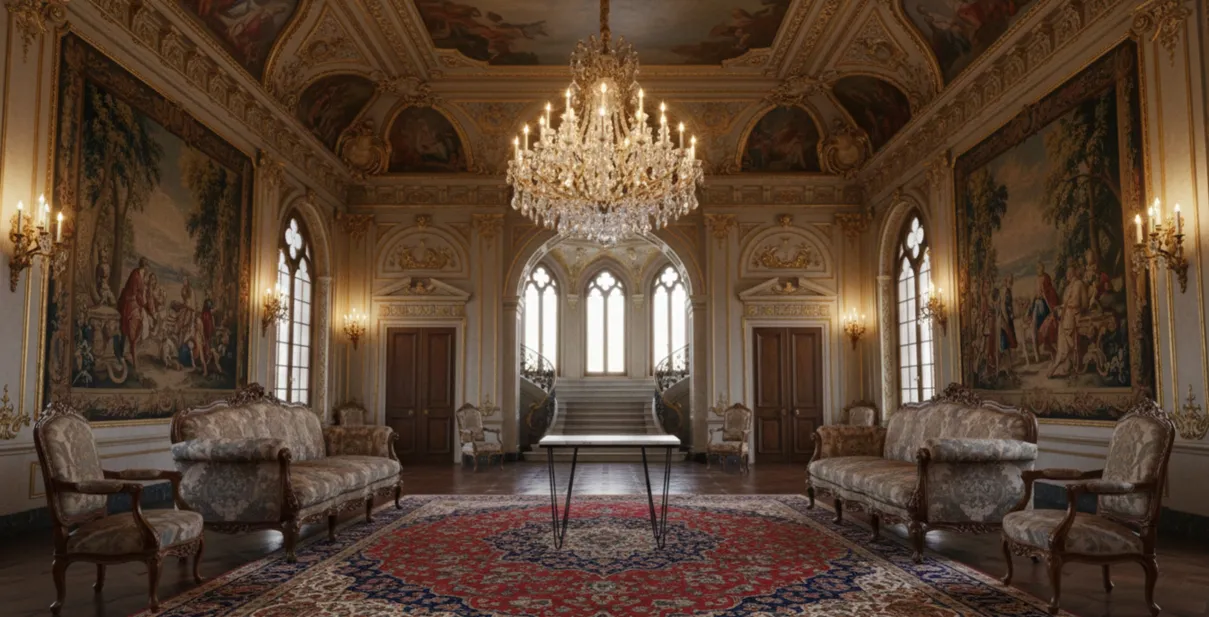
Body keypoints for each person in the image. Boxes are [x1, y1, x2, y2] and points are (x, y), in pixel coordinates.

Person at [1049, 264, 1088, 378]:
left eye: (1070, 273)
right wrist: (1060, 307)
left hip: (1073, 315)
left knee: (1065, 335)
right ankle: (1065, 362)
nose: (1068, 275)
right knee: (1061, 334)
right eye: (1067, 273)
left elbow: (1081, 303)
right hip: (1066, 316)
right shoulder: (1067, 288)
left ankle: (1059, 364)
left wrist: (1065, 307)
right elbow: (1065, 303)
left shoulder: (1079, 284)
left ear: (1074, 273)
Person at [117, 257, 154, 373]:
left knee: (139, 326)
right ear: (145, 266)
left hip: (136, 304)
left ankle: (128, 354)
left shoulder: (141, 276)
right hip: (130, 304)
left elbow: (140, 294)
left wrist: (146, 307)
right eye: (147, 266)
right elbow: (133, 293)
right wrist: (144, 305)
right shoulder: (136, 275)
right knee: (131, 331)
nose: (148, 269)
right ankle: (130, 359)